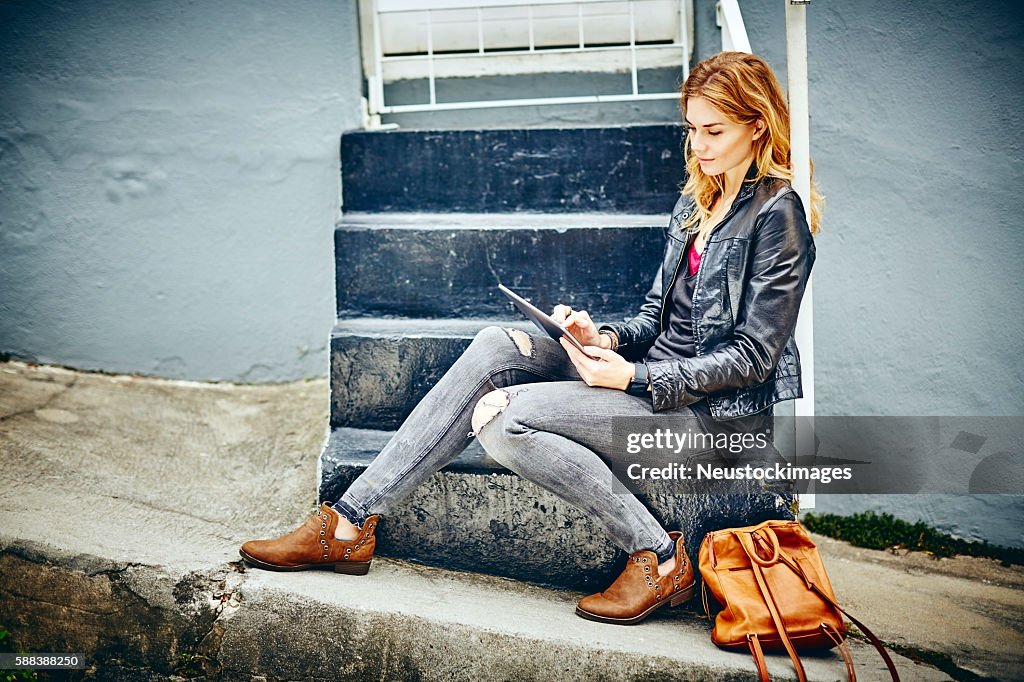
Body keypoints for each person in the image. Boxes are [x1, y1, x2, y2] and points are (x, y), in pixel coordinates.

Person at [239, 51, 821, 626]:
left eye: (714, 131)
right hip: (644, 387)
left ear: (757, 125)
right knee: (500, 342)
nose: (698, 145)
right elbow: (655, 318)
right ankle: (346, 522)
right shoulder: (699, 203)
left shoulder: (778, 213)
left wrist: (636, 377)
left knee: (504, 420)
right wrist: (606, 338)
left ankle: (661, 556)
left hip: (706, 424)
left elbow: (754, 354)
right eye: (692, 129)